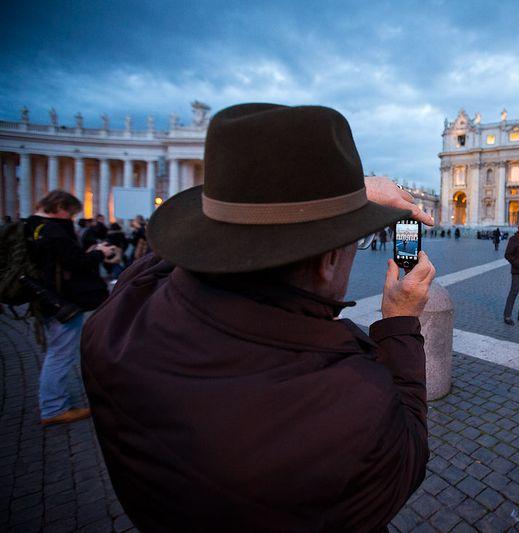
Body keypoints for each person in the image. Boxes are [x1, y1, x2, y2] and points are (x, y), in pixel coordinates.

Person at [81, 104, 437, 531]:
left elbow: (164, 258)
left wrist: (338, 195)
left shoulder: (117, 321)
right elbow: (408, 453)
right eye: (351, 242)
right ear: (328, 260)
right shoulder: (353, 409)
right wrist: (399, 319)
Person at [27, 191, 114, 426]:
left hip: (44, 297)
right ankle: (54, 407)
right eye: (69, 212)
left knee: (57, 352)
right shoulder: (54, 231)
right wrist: (99, 253)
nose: (70, 218)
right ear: (58, 206)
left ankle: (52, 404)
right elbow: (77, 264)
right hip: (62, 300)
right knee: (60, 355)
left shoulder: (30, 226)